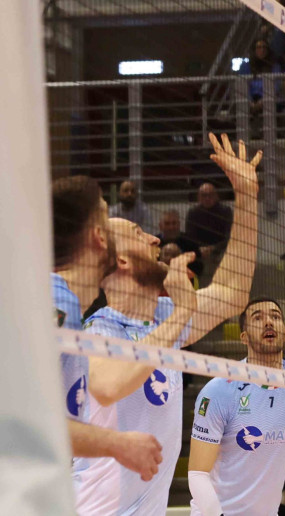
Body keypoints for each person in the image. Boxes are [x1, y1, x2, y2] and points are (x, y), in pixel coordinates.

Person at [73, 134, 262, 515]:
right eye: (139, 235)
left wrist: (247, 197)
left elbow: (232, 292)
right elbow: (107, 387)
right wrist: (180, 313)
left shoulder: (162, 318)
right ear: (122, 262)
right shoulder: (97, 332)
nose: (155, 238)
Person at [51, 176, 164, 483]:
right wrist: (117, 444)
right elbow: (26, 417)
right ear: (99, 237)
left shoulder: (70, 308)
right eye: (106, 217)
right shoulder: (56, 302)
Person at [187, 298, 285, 516]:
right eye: (258, 318)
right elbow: (197, 474)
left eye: (275, 316)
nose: (268, 322)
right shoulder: (219, 390)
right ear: (243, 337)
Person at [186, 182, 235, 276]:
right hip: (200, 250)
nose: (207, 198)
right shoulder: (193, 213)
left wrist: (214, 248)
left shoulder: (225, 211)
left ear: (216, 196)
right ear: (198, 197)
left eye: (210, 195)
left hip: (221, 250)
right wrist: (201, 249)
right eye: (204, 195)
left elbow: (229, 236)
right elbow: (190, 237)